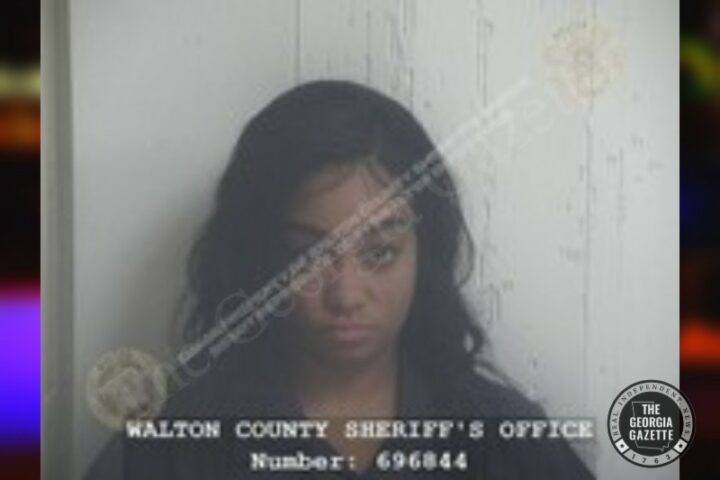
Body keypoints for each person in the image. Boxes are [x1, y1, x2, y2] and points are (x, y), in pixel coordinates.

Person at [85, 80, 595, 479]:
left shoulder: (499, 438)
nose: (346, 295)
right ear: (257, 258)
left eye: (380, 253)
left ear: (425, 254)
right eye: (306, 256)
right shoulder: (175, 446)